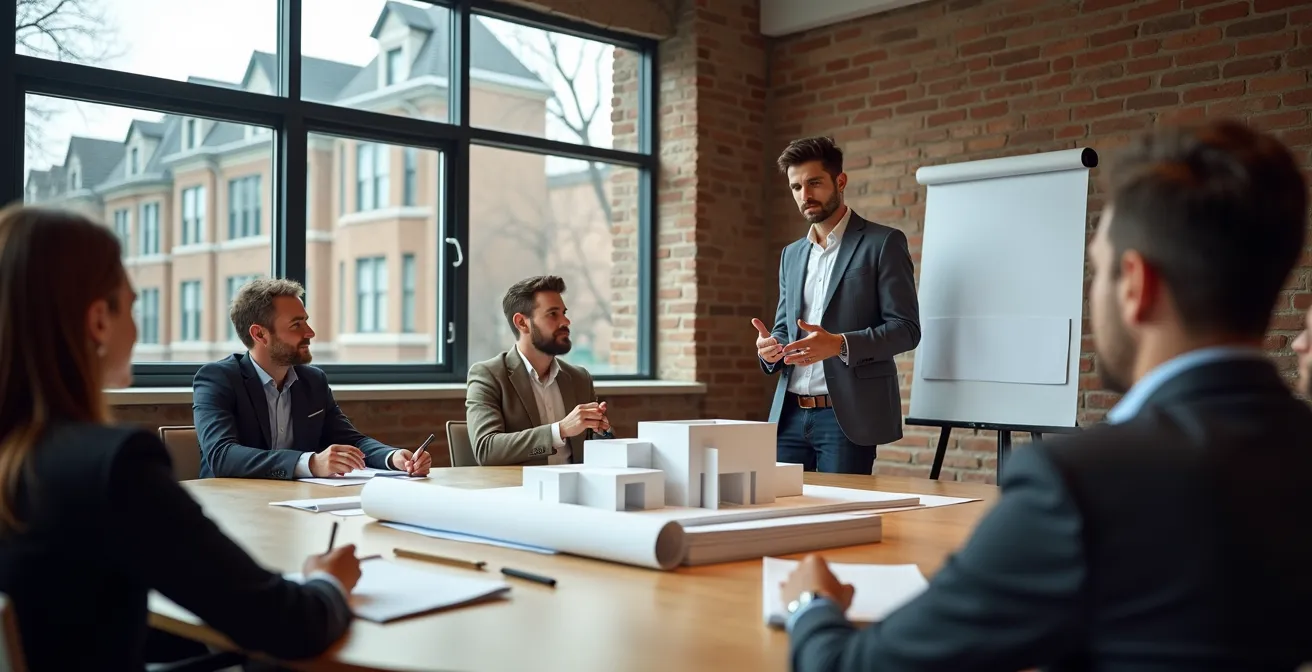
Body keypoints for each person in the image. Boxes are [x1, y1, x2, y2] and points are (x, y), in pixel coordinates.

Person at [780, 119, 1312, 671]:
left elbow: (856, 666)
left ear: (1136, 286)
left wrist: (809, 604)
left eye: (1097, 270)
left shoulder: (1078, 484)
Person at [0, 204, 361, 670]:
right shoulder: (115, 466)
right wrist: (328, 581)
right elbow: (290, 624)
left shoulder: (22, 454)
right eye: (133, 305)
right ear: (99, 321)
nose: (138, 326)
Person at [753, 135, 921, 475]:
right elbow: (785, 327)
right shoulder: (791, 255)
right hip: (788, 415)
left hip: (846, 418)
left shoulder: (883, 243)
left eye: (814, 183)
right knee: (781, 506)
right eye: (796, 187)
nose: (805, 195)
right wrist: (770, 350)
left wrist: (839, 344)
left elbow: (906, 329)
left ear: (840, 181)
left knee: (841, 508)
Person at [193, 278, 430, 479]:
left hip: (297, 503)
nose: (310, 332)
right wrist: (311, 463)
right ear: (260, 334)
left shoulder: (313, 380)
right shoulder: (218, 379)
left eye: (305, 321)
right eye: (296, 324)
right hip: (231, 506)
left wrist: (393, 457)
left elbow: (350, 440)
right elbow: (221, 455)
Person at [465, 275, 610, 466]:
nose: (566, 321)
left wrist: (603, 433)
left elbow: (597, 450)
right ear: (522, 323)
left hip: (578, 483)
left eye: (564, 313)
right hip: (520, 484)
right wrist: (560, 430)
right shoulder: (488, 376)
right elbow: (486, 450)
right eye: (553, 314)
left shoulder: (579, 378)